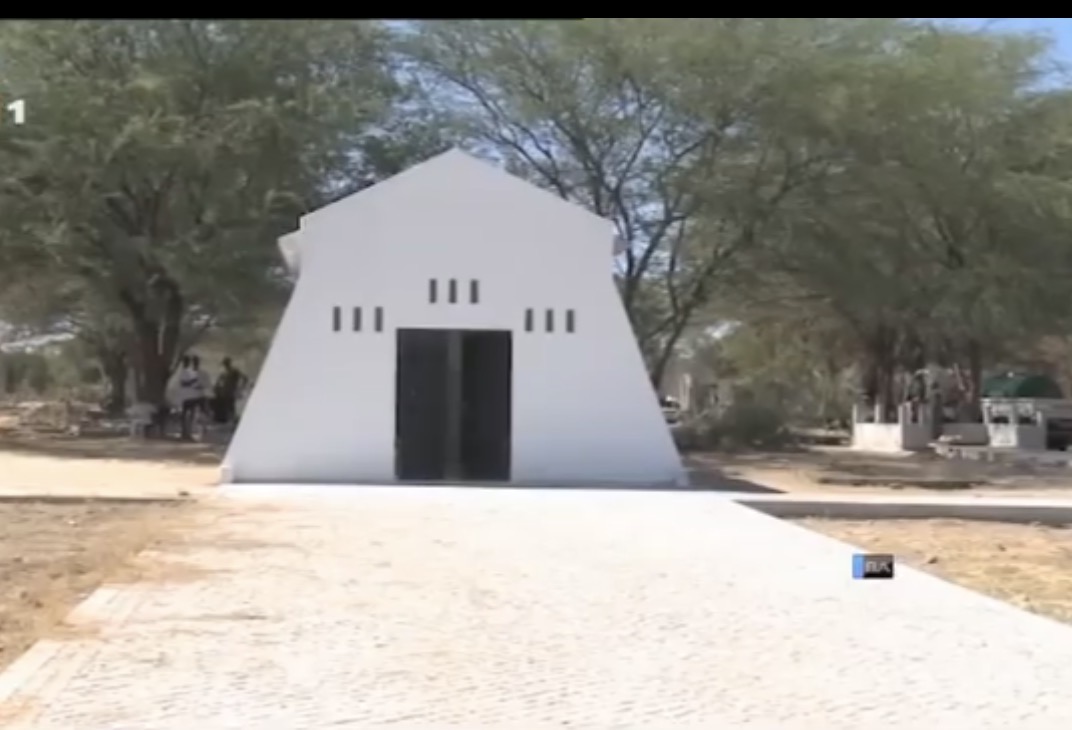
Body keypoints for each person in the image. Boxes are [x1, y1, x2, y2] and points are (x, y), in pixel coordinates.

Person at [178, 355, 210, 440]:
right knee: (188, 414)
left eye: (196, 362)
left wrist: (198, 385)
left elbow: (205, 384)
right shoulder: (187, 372)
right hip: (188, 396)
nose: (195, 363)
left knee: (192, 413)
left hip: (194, 395)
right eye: (194, 362)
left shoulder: (194, 372)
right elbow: (184, 383)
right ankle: (186, 432)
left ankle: (190, 432)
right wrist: (194, 382)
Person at [213, 357, 248, 425]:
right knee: (227, 407)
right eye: (224, 364)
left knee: (231, 407)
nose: (225, 365)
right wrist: (216, 387)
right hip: (225, 392)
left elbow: (245, 378)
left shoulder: (234, 371)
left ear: (229, 363)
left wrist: (241, 388)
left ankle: (235, 421)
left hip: (231, 392)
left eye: (226, 363)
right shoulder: (224, 373)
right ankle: (231, 421)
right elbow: (218, 380)